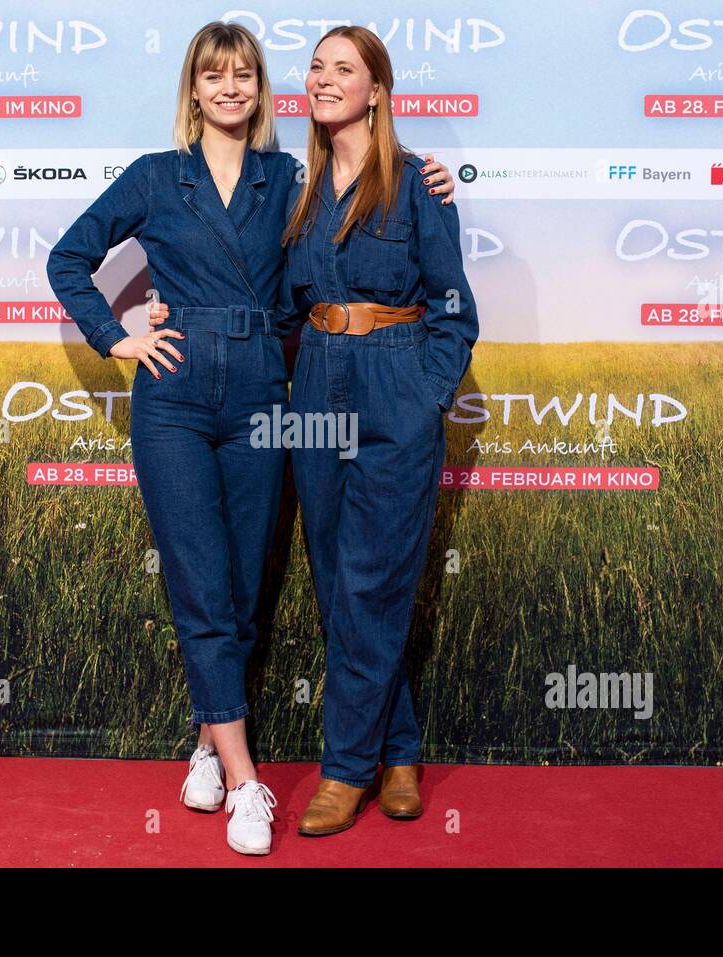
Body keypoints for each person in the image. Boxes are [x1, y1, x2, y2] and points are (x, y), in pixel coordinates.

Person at [47, 21, 455, 856]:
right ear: (192, 90)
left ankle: (220, 743)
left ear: (262, 89)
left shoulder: (289, 182)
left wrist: (429, 178)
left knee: (263, 583)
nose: (231, 88)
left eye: (245, 75)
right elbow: (70, 258)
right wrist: (121, 330)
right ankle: (242, 779)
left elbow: (331, 272)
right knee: (208, 578)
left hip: (272, 393)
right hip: (179, 391)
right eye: (213, 75)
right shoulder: (159, 178)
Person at [279, 25, 479, 836]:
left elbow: (456, 308)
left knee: (375, 579)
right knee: (336, 578)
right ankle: (398, 746)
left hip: (394, 380)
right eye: (317, 67)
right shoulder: (298, 186)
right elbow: (276, 298)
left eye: (343, 69)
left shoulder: (419, 184)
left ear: (377, 89)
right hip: (317, 379)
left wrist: (423, 392)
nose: (325, 79)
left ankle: (346, 768)